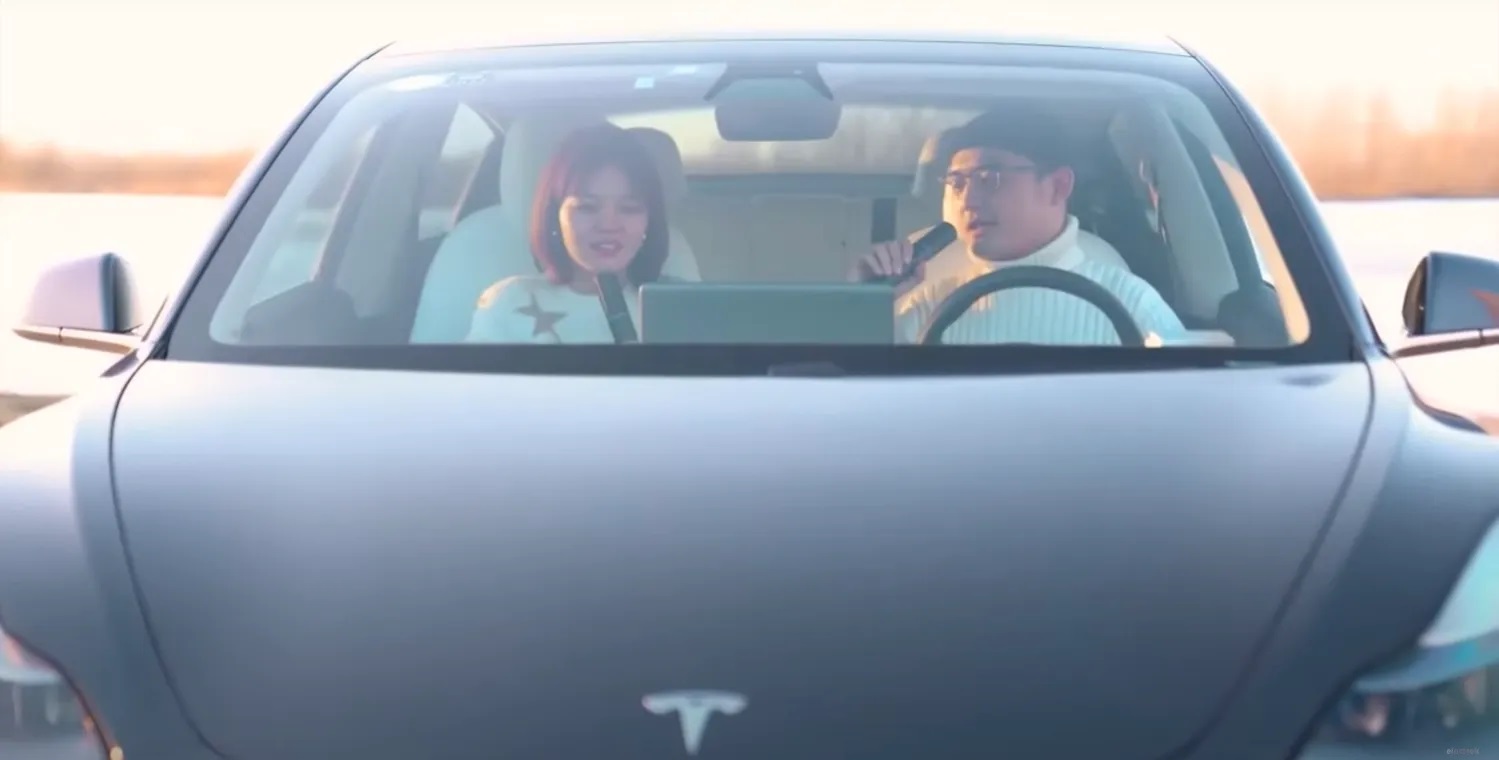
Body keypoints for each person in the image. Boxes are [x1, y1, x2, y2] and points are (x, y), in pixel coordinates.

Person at [852, 110, 1186, 346]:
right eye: (957, 183)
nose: (967, 201)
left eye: (989, 178)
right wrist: (863, 302)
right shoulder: (927, 305)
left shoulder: (1132, 305)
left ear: (1057, 186)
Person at [466, 123, 670, 344]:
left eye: (629, 208)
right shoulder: (509, 301)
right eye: (587, 207)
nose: (608, 225)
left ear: (650, 221)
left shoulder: (676, 308)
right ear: (555, 215)